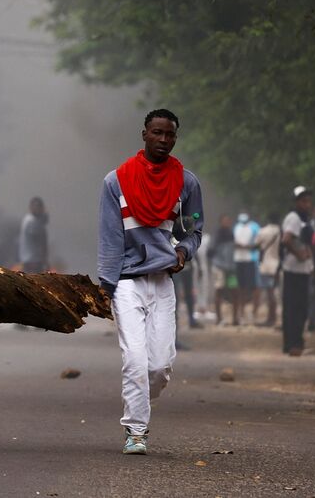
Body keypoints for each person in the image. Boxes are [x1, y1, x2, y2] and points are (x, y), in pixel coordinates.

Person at [97, 109, 203, 455]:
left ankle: (140, 394)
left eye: (169, 134)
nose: (163, 140)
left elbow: (194, 227)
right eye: (156, 133)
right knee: (135, 359)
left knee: (159, 366)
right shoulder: (116, 181)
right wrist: (106, 284)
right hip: (127, 281)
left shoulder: (187, 183)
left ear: (175, 137)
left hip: (162, 280)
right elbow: (110, 238)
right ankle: (136, 431)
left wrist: (184, 250)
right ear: (144, 134)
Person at [281, 186, 315, 355]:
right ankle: (294, 344)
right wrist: (299, 254)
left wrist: (307, 254)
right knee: (296, 309)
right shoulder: (294, 218)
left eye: (308, 201)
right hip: (294, 270)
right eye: (303, 201)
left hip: (302, 270)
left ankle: (294, 344)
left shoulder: (304, 219)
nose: (307, 204)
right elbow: (286, 239)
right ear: (297, 202)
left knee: (297, 308)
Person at [254, 213, 282, 327]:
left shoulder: (263, 231)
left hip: (266, 265)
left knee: (269, 293)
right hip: (278, 265)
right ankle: (273, 317)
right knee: (275, 293)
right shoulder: (282, 231)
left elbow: (256, 246)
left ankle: (271, 319)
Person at [233, 213, 261, 324]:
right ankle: (242, 312)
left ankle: (255, 312)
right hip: (239, 259)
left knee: (254, 286)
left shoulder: (254, 226)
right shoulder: (236, 227)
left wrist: (247, 247)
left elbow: (259, 243)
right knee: (241, 287)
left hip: (251, 259)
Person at [211, 214, 237, 325]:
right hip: (219, 266)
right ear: (221, 222)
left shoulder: (231, 234)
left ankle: (235, 319)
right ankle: (218, 318)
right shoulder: (217, 235)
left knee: (235, 290)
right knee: (219, 290)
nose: (227, 222)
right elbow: (211, 250)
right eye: (225, 221)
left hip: (231, 268)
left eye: (228, 220)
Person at [19, 196, 49, 273]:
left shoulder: (31, 219)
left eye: (39, 207)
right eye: (36, 206)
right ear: (31, 207)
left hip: (32, 260)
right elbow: (39, 240)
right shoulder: (31, 221)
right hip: (33, 261)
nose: (38, 209)